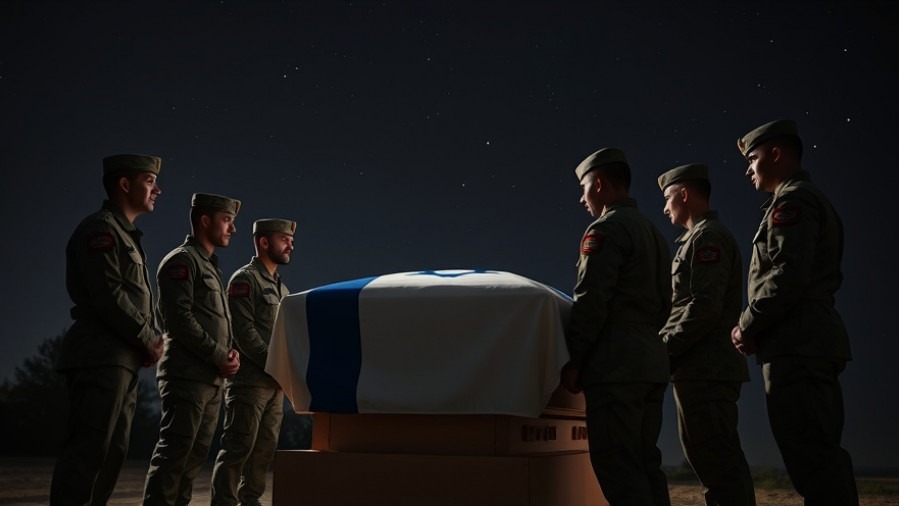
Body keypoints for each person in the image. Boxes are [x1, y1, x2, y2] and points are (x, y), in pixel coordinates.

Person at [731, 119, 858, 505]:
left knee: (813, 459)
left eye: (752, 158)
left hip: (799, 346)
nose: (748, 168)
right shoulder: (797, 199)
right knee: (814, 457)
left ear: (776, 153)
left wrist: (747, 324)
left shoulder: (794, 201)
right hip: (802, 342)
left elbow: (788, 272)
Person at [50, 154, 164, 506]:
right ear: (124, 184)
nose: (157, 189)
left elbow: (133, 298)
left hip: (121, 358)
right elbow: (109, 295)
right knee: (89, 452)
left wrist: (148, 340)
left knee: (111, 453)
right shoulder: (100, 230)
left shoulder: (125, 236)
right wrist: (149, 339)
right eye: (148, 180)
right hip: (100, 355)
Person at [561, 147, 672, 506]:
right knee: (645, 461)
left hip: (616, 365)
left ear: (600, 184)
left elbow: (591, 301)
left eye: (584, 187)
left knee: (618, 466)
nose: (582, 198)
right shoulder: (653, 233)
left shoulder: (606, 230)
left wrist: (574, 359)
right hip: (650, 361)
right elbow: (667, 302)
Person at [657, 163, 756, 506]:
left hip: (707, 370)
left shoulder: (708, 237)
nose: (665, 206)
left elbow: (703, 306)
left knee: (718, 462)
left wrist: (664, 349)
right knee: (712, 460)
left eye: (668, 197)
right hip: (699, 369)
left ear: (684, 193)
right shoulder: (697, 238)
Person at [143, 193, 243, 506]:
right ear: (204, 220)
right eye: (226, 220)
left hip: (210, 379)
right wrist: (218, 356)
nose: (233, 228)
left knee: (192, 461)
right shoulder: (182, 262)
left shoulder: (209, 267)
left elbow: (216, 321)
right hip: (187, 376)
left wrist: (231, 353)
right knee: (175, 455)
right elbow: (178, 319)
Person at [210, 218, 296, 506]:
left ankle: (251, 500)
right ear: (263, 242)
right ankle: (224, 501)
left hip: (274, 384)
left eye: (291, 240)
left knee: (264, 449)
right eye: (284, 239)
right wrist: (274, 365)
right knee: (238, 446)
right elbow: (243, 332)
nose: (290, 245)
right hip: (249, 382)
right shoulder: (245, 279)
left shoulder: (282, 290)